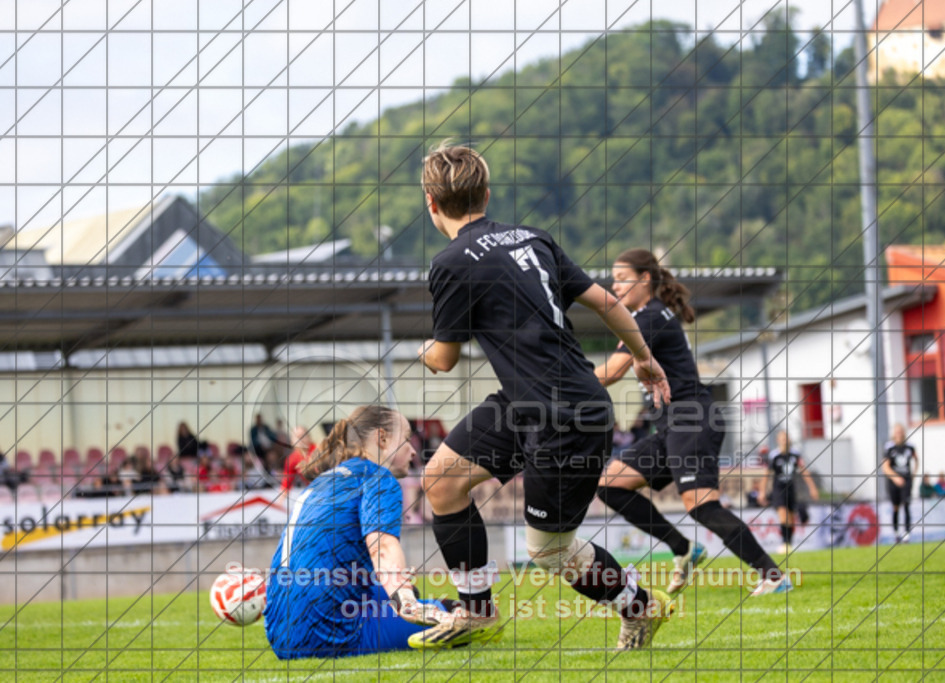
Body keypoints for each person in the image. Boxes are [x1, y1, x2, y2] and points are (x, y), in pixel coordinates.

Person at [416, 144, 675, 651]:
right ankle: (476, 612)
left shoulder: (449, 263)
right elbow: (605, 301)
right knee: (442, 481)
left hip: (567, 418)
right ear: (486, 194)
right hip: (529, 403)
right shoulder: (533, 237)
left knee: (550, 552)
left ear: (431, 203)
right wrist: (643, 356)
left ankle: (640, 605)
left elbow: (443, 359)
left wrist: (423, 349)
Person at [592, 248, 791, 596]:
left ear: (645, 279)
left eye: (622, 279)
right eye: (613, 279)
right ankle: (684, 548)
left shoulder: (649, 318)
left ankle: (773, 576)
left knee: (701, 506)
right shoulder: (644, 316)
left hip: (691, 419)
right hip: (672, 424)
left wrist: (558, 387)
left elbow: (611, 372)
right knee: (610, 483)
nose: (615, 285)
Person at [264, 406, 454, 659]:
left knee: (399, 591)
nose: (412, 450)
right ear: (382, 438)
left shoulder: (322, 481)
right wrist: (407, 603)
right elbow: (382, 547)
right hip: (327, 635)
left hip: (280, 636)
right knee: (458, 615)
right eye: (406, 439)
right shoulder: (378, 478)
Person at [759, 431, 819, 554]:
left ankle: (788, 544)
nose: (784, 441)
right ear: (778, 441)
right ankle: (784, 543)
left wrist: (813, 488)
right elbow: (766, 475)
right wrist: (762, 492)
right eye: (782, 439)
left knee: (790, 519)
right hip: (778, 490)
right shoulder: (774, 456)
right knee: (783, 515)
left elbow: (804, 471)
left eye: (786, 438)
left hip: (791, 489)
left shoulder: (795, 455)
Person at [881, 423, 917, 542]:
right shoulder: (889, 447)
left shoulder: (910, 447)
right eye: (897, 432)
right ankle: (896, 533)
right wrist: (896, 478)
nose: (899, 434)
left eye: (901, 431)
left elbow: (916, 460)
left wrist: (913, 475)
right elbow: (885, 467)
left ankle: (907, 533)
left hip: (906, 481)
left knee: (906, 505)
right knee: (895, 507)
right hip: (893, 482)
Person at [281, 426, 317, 491]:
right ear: (292, 441)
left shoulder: (319, 451)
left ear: (309, 437)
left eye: (303, 436)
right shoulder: (292, 459)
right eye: (296, 437)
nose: (300, 439)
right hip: (314, 490)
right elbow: (286, 483)